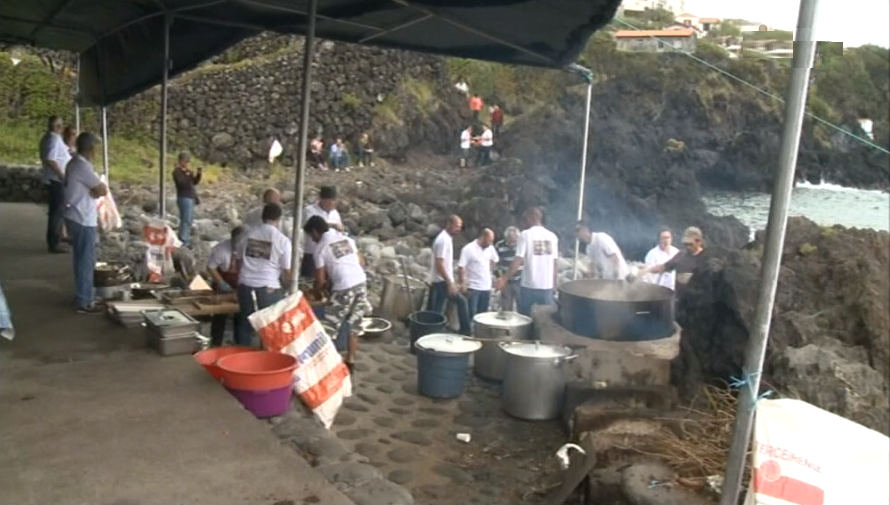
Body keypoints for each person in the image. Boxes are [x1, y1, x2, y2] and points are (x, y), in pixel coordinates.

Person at [305, 216, 371, 373]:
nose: (312, 239)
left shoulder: (320, 248)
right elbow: (361, 262)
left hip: (343, 288)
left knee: (330, 327)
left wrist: (315, 291)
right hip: (361, 283)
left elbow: (320, 280)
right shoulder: (346, 239)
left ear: (315, 231)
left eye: (311, 235)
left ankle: (326, 366)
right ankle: (350, 361)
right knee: (354, 325)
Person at [62, 132, 108, 314]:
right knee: (85, 261)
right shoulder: (82, 166)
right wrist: (95, 190)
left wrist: (94, 190)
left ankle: (85, 295)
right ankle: (84, 301)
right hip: (82, 217)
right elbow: (102, 190)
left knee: (83, 258)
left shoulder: (75, 163)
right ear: (91, 148)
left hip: (77, 214)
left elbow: (96, 190)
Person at [236, 203, 292, 346]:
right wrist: (289, 287)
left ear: (262, 217)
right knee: (269, 327)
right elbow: (286, 271)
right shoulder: (282, 240)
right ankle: (265, 356)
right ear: (279, 219)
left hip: (245, 285)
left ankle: (243, 355)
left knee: (246, 324)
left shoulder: (247, 235)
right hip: (269, 287)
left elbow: (238, 260)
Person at [496, 207, 558, 316]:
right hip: (547, 286)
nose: (524, 222)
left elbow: (518, 260)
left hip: (529, 286)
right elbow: (555, 263)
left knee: (526, 318)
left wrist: (504, 278)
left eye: (525, 219)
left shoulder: (525, 235)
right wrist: (554, 284)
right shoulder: (552, 236)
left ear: (531, 218)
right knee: (546, 318)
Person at [427, 215, 471, 335]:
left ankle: (432, 332)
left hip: (441, 280)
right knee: (461, 302)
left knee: (436, 310)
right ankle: (466, 331)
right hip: (441, 281)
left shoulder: (446, 238)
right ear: (448, 224)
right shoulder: (443, 240)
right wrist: (450, 282)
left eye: (460, 227)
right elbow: (439, 264)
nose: (458, 229)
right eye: (456, 226)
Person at [639, 226, 707, 295]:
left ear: (699, 241)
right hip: (680, 297)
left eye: (690, 244)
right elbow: (664, 267)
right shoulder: (681, 255)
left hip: (699, 297)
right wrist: (645, 270)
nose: (687, 247)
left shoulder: (706, 258)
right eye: (685, 244)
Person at [207, 226, 245, 347]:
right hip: (222, 281)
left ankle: (239, 344)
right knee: (220, 314)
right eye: (236, 242)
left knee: (240, 314)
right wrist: (221, 283)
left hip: (241, 282)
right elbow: (210, 268)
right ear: (232, 239)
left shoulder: (248, 249)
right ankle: (216, 343)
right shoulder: (221, 249)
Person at [40, 115, 71, 254]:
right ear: (57, 126)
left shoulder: (48, 138)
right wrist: (61, 175)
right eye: (61, 124)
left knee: (58, 211)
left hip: (52, 179)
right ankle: (54, 243)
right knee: (57, 212)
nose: (62, 127)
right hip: (56, 180)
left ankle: (59, 236)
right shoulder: (54, 139)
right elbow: (50, 159)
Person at [457, 228, 499, 325]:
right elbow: (461, 267)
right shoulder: (468, 249)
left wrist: (493, 272)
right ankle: (467, 330)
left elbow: (495, 260)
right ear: (483, 237)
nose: (491, 243)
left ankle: (480, 331)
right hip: (473, 286)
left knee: (483, 314)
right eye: (489, 241)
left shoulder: (490, 248)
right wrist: (462, 283)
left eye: (492, 241)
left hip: (486, 286)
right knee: (471, 313)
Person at [300, 186, 343, 279]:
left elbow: (340, 229)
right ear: (321, 199)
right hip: (312, 253)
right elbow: (312, 226)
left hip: (330, 254)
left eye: (334, 200)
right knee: (309, 281)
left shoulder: (335, 213)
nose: (332, 203)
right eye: (329, 201)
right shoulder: (309, 210)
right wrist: (332, 225)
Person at [172, 152, 202, 246]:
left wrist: (199, 173)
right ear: (181, 161)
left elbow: (194, 182)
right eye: (186, 161)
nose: (188, 163)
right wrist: (187, 173)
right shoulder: (177, 172)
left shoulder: (189, 172)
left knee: (189, 219)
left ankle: (185, 237)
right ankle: (183, 239)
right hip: (183, 197)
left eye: (188, 162)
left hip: (190, 197)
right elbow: (182, 183)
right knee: (186, 219)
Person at [495, 226, 522, 312]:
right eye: (510, 240)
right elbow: (495, 263)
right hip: (506, 281)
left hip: (520, 280)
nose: (511, 243)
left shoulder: (521, 245)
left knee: (521, 305)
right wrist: (499, 277)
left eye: (514, 241)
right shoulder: (499, 245)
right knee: (506, 307)